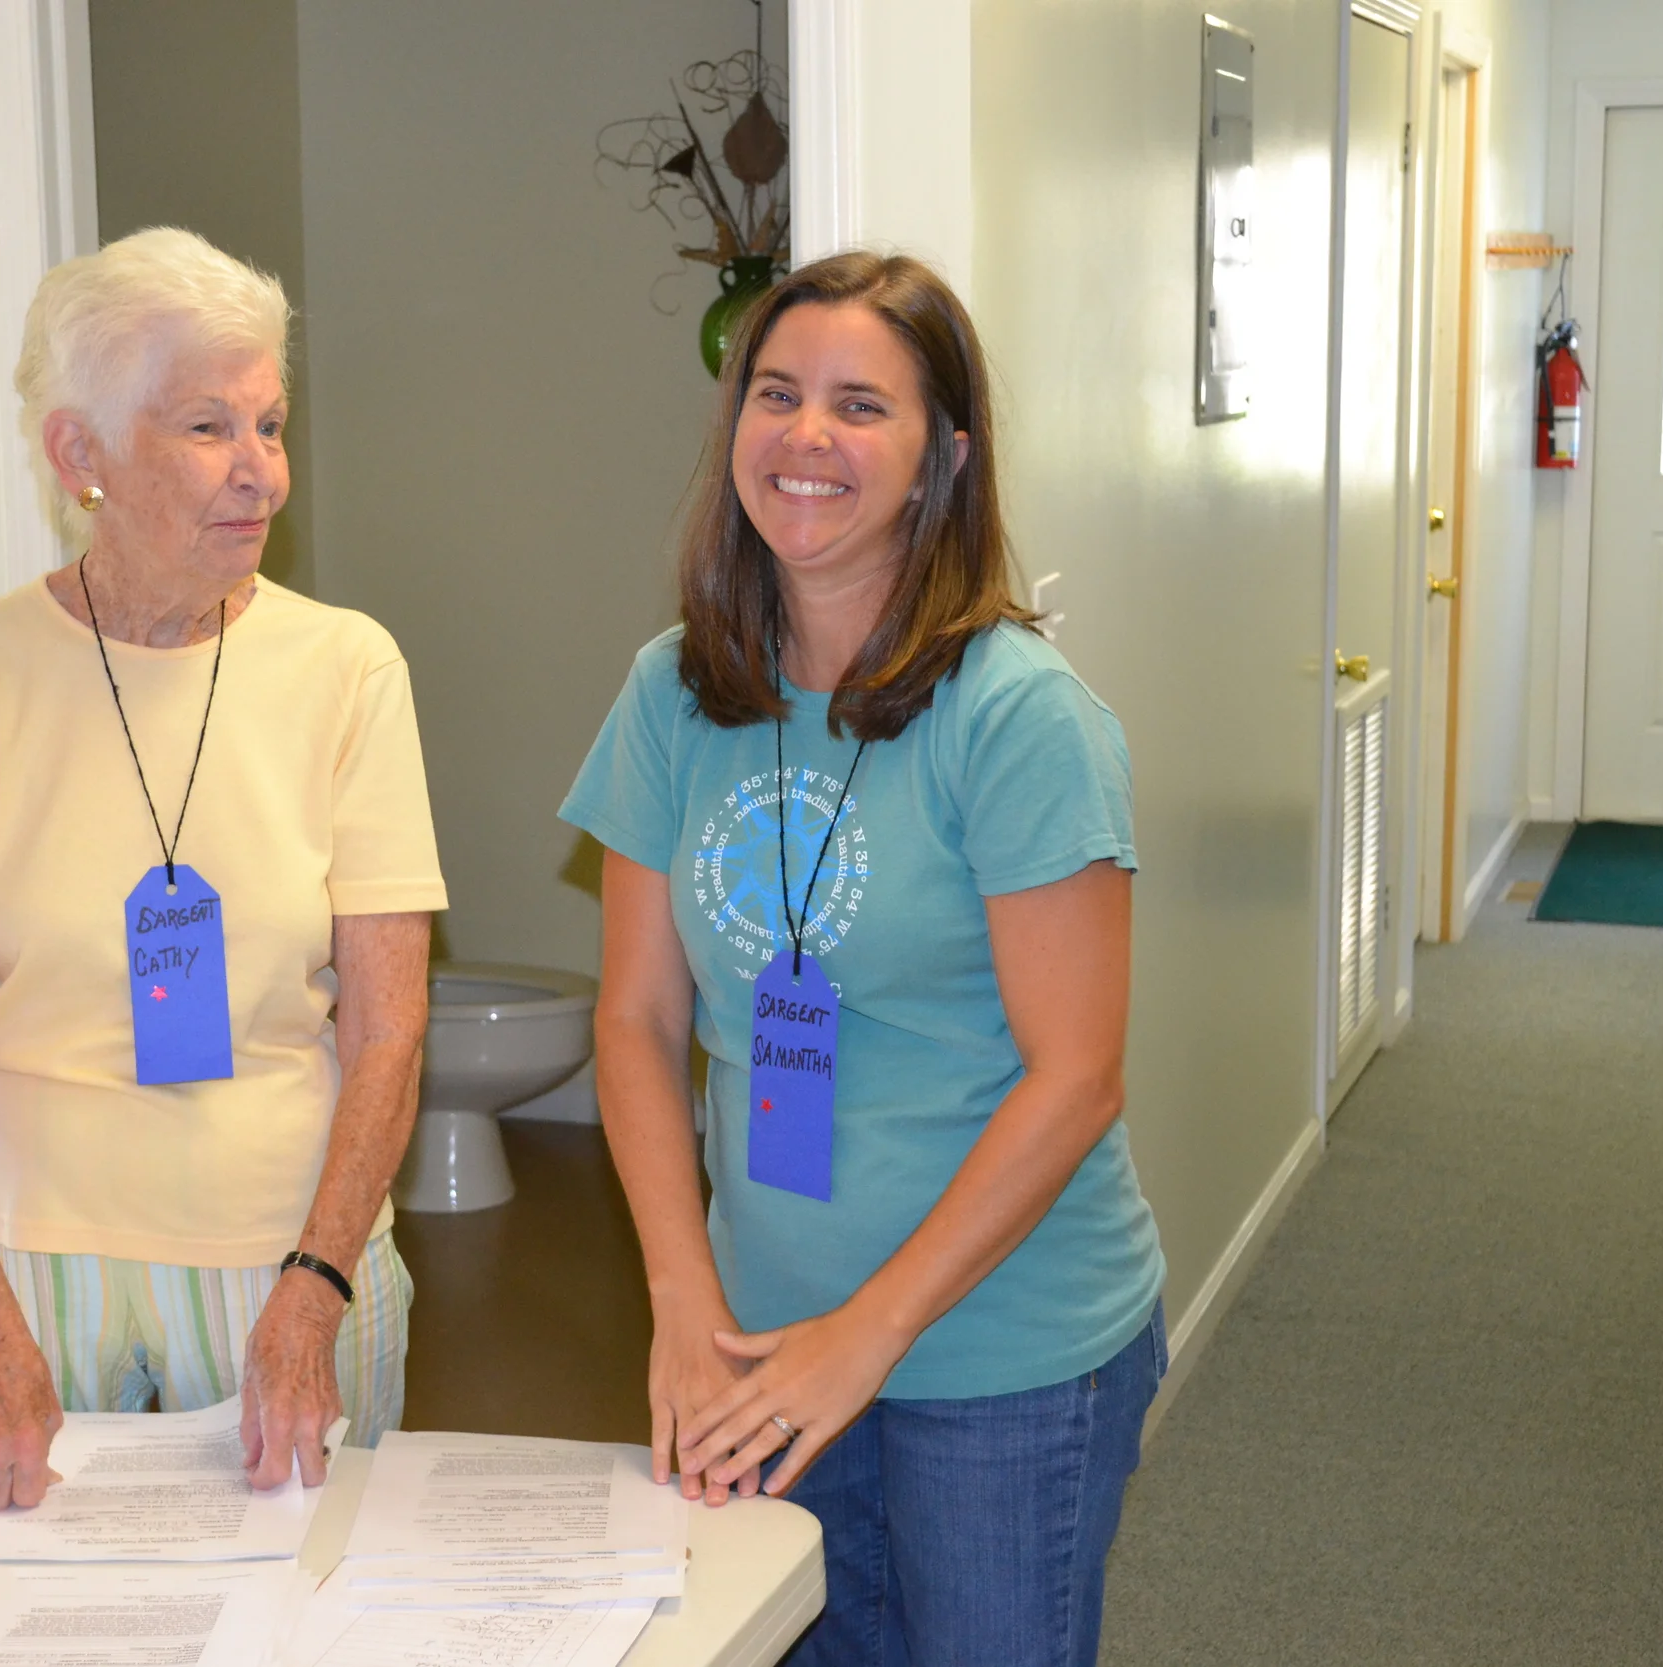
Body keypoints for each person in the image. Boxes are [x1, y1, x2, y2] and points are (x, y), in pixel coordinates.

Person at [559, 251, 1166, 1665]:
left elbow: (1077, 1079)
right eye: (777, 395)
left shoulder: (1019, 718)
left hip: (999, 1351)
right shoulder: (673, 688)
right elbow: (637, 1020)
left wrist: (869, 1331)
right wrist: (684, 1305)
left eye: (860, 405)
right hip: (756, 1339)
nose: (807, 438)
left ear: (942, 456)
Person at [0, 227, 445, 1509]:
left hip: (295, 1256)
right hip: (19, 1264)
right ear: (80, 454)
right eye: (208, 427)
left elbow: (390, 1027)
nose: (262, 473)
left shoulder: (352, 668)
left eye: (272, 424)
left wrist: (316, 1284)